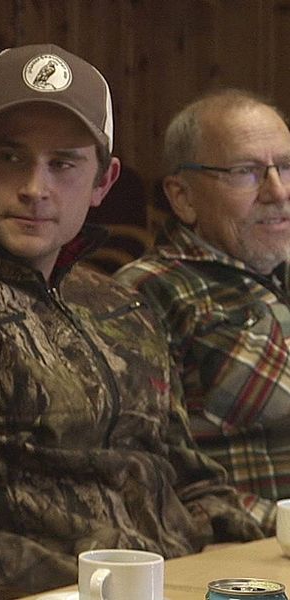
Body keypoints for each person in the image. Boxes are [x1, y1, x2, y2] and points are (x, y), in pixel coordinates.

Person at [0, 46, 262, 599]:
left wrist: (246, 550)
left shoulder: (121, 306)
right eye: (9, 158)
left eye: (64, 164)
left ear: (103, 182)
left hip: (177, 582)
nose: (35, 187)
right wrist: (105, 577)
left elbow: (189, 479)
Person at [115, 88, 290, 536]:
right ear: (183, 196)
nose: (277, 191)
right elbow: (155, 476)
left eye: (286, 167)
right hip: (251, 556)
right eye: (246, 172)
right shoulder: (147, 292)